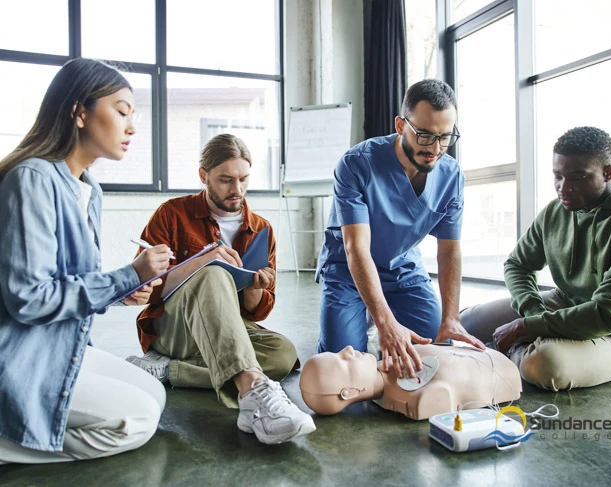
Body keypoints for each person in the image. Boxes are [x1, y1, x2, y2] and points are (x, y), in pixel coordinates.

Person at [0, 58, 170, 463]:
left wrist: (124, 290)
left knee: (155, 394)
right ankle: (12, 443)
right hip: (21, 352)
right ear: (79, 112)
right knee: (139, 420)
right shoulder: (33, 179)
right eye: (122, 111)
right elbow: (30, 298)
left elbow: (74, 283)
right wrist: (127, 274)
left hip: (60, 343)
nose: (131, 127)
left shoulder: (88, 189)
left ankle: (30, 428)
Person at [126, 133, 315, 445]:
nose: (236, 189)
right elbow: (143, 287)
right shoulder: (171, 214)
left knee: (283, 354)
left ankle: (169, 372)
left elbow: (257, 312)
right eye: (226, 179)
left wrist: (256, 286)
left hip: (222, 335)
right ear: (204, 176)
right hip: (174, 329)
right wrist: (203, 262)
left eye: (243, 179)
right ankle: (253, 390)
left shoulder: (261, 229)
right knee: (212, 273)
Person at [316, 79, 484, 380]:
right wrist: (385, 324)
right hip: (347, 270)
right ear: (400, 125)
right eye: (424, 136)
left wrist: (451, 317)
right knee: (344, 369)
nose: (435, 148)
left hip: (402, 268)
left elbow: (449, 250)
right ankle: (361, 320)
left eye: (445, 137)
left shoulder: (451, 175)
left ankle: (380, 317)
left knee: (437, 345)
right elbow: (357, 248)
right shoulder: (356, 164)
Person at [460, 126, 611, 391]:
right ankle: (522, 349)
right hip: (566, 302)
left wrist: (527, 327)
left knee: (544, 367)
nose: (564, 188)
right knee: (468, 322)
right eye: (557, 176)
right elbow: (518, 264)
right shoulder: (556, 210)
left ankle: (519, 353)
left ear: (608, 173)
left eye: (578, 177)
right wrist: (531, 311)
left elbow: (609, 315)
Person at [300, 343, 521, 419]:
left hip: (496, 362)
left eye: (338, 352)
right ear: (348, 392)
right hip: (501, 370)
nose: (348, 349)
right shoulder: (419, 398)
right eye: (342, 361)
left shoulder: (390, 362)